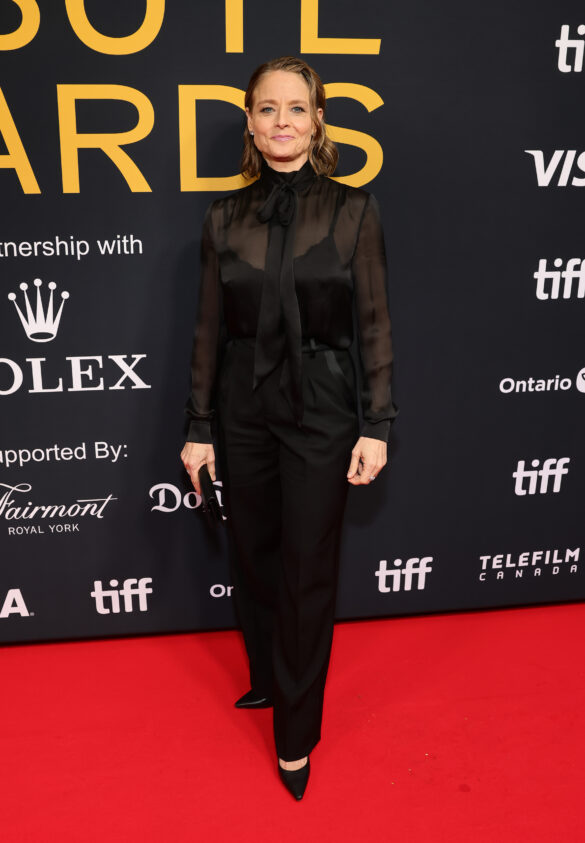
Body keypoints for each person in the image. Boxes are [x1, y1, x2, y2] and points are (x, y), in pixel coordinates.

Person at [180, 55, 397, 800]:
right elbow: (208, 329)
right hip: (241, 406)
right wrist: (198, 425)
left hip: (322, 405)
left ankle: (295, 734)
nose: (282, 121)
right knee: (255, 552)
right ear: (249, 123)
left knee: (307, 566)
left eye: (296, 108)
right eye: (267, 109)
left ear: (318, 120)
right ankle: (270, 676)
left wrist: (378, 424)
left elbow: (373, 323)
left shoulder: (353, 209)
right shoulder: (222, 217)